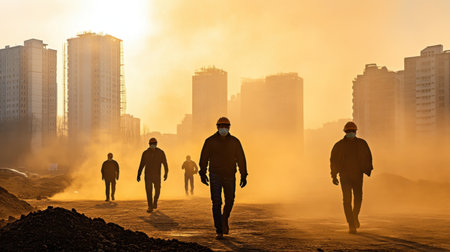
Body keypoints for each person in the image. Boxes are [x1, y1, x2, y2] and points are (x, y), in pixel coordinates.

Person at [199, 117, 248, 240]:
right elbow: (203, 158)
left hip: (230, 175)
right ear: (217, 127)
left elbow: (241, 158)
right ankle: (219, 230)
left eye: (226, 126)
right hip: (215, 175)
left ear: (229, 127)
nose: (223, 128)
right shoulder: (210, 141)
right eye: (221, 126)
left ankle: (224, 218)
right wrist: (202, 173)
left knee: (230, 200)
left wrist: (244, 175)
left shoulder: (234, 142)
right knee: (216, 202)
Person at [330, 121, 373, 234]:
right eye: (349, 131)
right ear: (345, 132)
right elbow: (333, 161)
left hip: (358, 175)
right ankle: (351, 224)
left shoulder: (362, 143)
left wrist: (368, 169)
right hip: (345, 176)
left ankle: (354, 216)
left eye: (352, 131)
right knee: (347, 200)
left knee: (358, 198)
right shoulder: (338, 145)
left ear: (355, 132)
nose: (351, 133)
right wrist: (333, 176)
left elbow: (368, 157)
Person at [137, 138, 169, 213]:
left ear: (156, 144)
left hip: (157, 175)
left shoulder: (160, 152)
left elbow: (165, 163)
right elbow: (142, 164)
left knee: (157, 189)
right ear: (149, 144)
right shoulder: (145, 153)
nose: (153, 145)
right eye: (151, 144)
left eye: (154, 143)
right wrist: (139, 174)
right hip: (148, 175)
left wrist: (166, 173)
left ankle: (155, 201)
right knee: (149, 191)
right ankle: (150, 206)